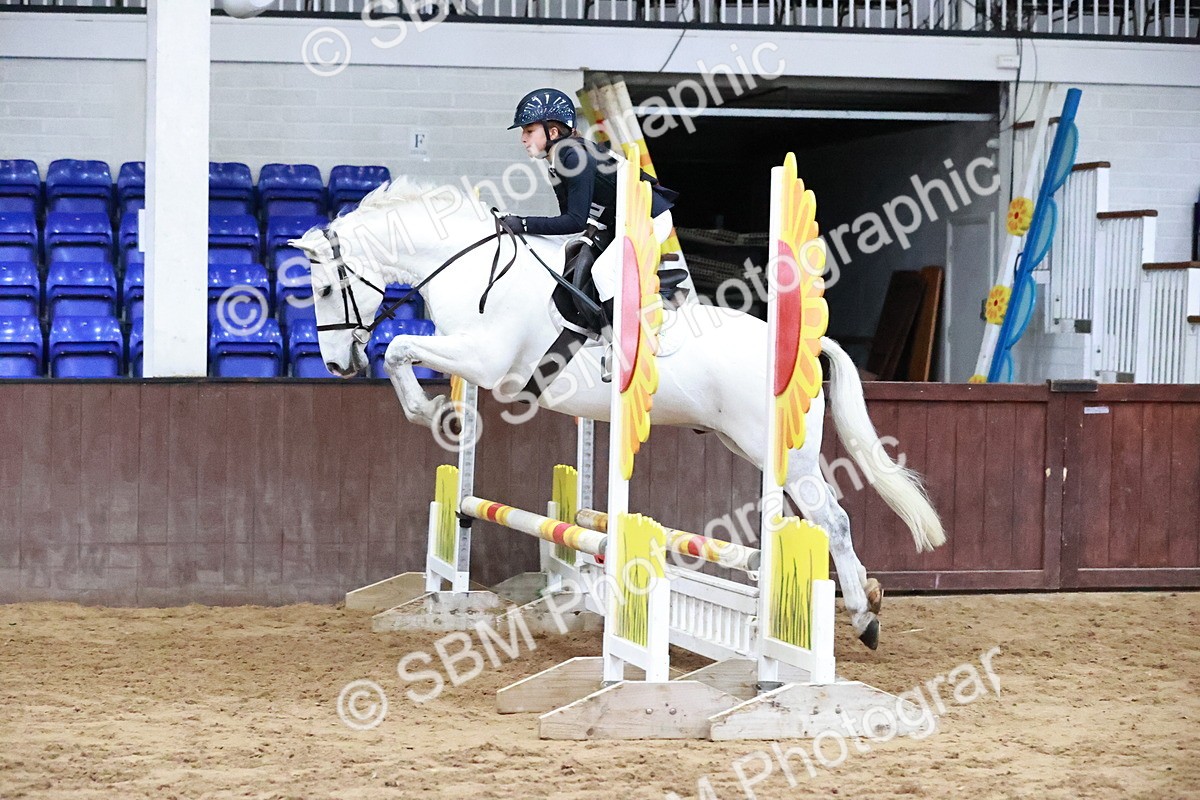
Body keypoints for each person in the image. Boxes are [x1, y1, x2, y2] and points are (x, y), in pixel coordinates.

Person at [498, 88, 692, 334]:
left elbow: (574, 221)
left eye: (528, 131)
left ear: (553, 131)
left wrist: (523, 224)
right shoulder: (556, 162)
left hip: (648, 218)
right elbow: (568, 222)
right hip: (620, 220)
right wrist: (522, 226)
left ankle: (622, 340)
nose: (523, 139)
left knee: (602, 273)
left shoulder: (572, 156)